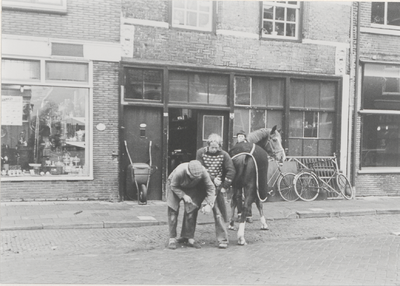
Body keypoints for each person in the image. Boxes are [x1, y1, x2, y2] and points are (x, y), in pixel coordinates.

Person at [196, 133, 236, 249]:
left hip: (216, 189)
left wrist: (225, 185)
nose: (214, 150)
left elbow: (231, 170)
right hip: (201, 185)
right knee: (191, 209)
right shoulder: (200, 153)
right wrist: (213, 179)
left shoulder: (224, 155)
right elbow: (200, 169)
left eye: (216, 147)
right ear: (208, 145)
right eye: (212, 147)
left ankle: (223, 239)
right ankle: (187, 236)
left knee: (218, 213)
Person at [166, 160, 216, 250]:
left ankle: (189, 238)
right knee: (173, 212)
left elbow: (211, 188)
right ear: (188, 173)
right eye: (193, 177)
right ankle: (172, 239)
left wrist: (209, 204)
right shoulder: (180, 171)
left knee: (191, 211)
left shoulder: (203, 172)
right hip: (174, 186)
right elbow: (173, 186)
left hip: (191, 187)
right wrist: (183, 195)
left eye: (198, 177)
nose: (196, 178)